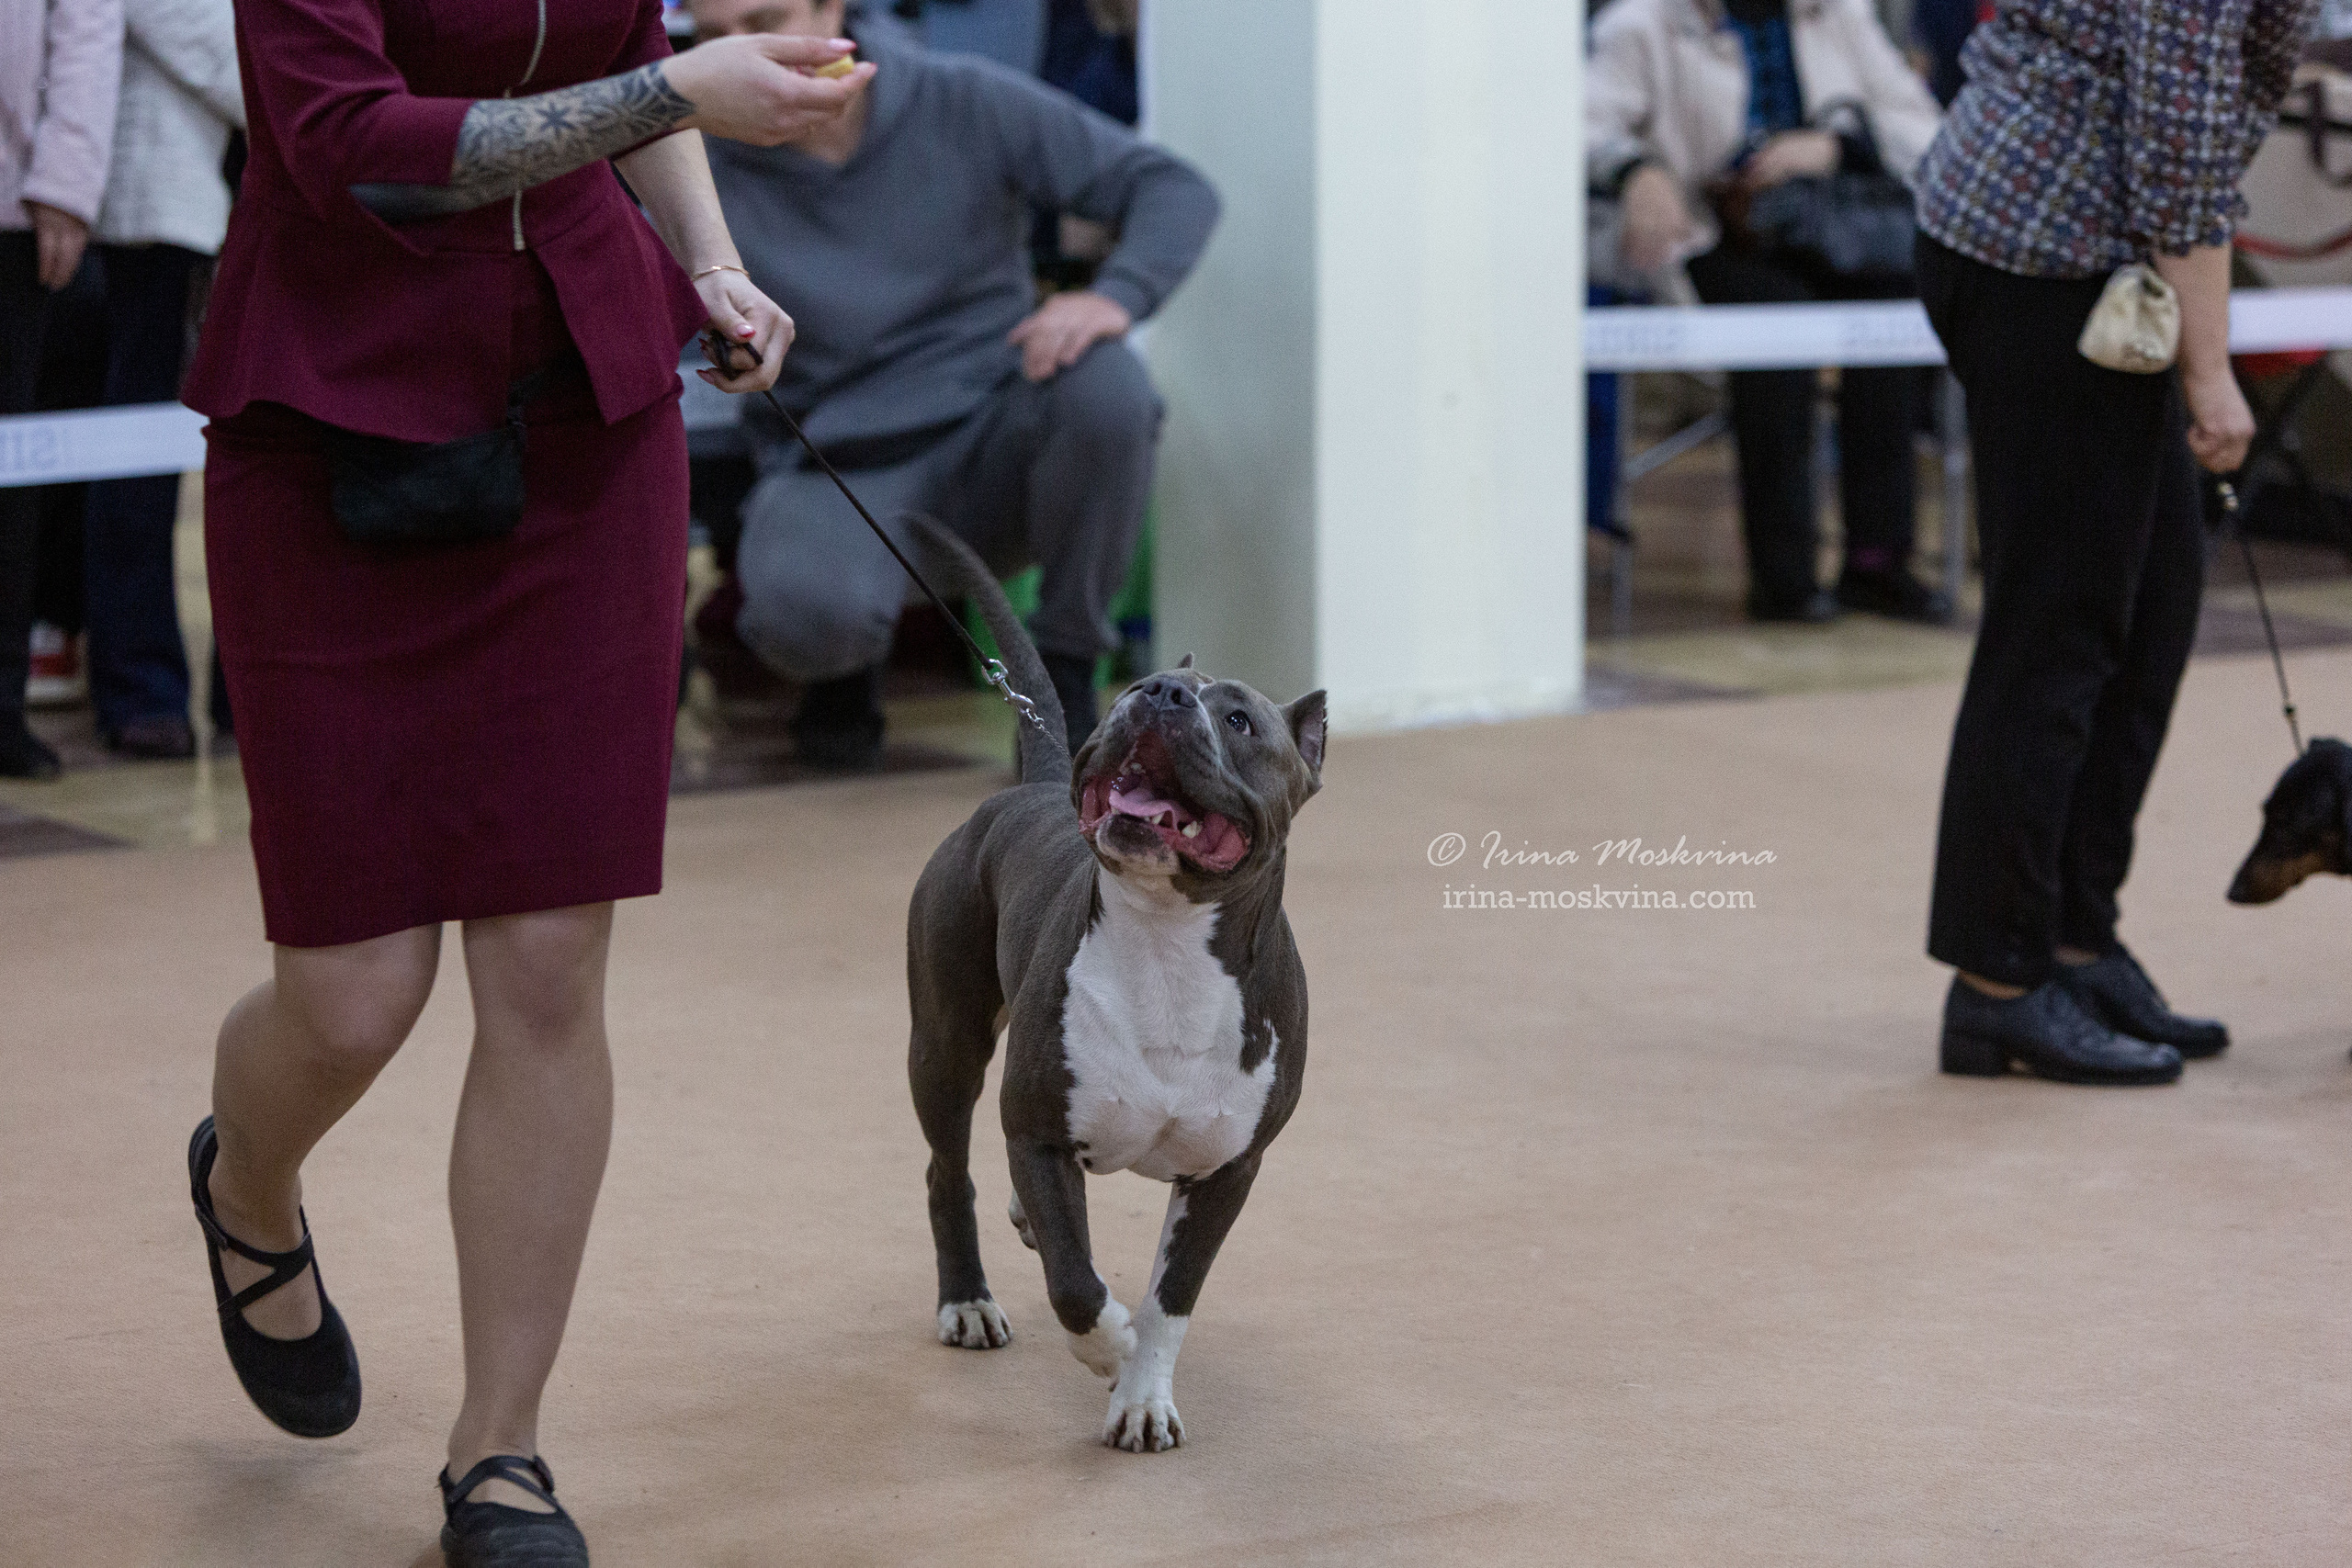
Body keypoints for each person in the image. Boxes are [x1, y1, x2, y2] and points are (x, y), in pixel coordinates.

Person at [175, 4, 871, 1562]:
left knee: (550, 959)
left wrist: (710, 264)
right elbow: (359, 154)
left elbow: (637, 81)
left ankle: (501, 1453)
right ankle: (251, 1183)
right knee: (350, 994)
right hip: (328, 423)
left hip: (586, 416)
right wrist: (675, 85)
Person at [1913, 0, 2314, 1086]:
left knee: (2148, 621)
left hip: (2105, 268)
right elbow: (2177, 140)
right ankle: (1996, 986)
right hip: (2046, 265)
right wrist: (2210, 373)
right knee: (2059, 636)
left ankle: (2073, 941)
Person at [691, 0, 1218, 767]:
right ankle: (844, 670)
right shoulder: (694, 157)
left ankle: (1066, 672)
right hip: (837, 461)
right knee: (802, 616)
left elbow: (1170, 186)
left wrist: (1115, 296)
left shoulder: (966, 98)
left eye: (762, 21)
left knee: (1108, 386)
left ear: (831, 10)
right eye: (712, 38)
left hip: (996, 429)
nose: (739, 54)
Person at [1588, 0, 1952, 625]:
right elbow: (1582, 125)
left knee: (1892, 303)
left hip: (1834, 226)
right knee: (1775, 319)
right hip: (1710, 235)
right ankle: (1784, 574)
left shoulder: (1838, 16)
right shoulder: (1641, 23)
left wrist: (1836, 145)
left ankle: (1876, 560)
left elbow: (1925, 129)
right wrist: (1639, 170)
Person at [82, 0, 245, 759]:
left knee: (263, 466)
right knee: (134, 468)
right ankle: (140, 686)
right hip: (160, 210)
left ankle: (246, 693)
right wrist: (311, 85)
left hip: (272, 196)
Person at [1, 0, 121, 779]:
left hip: (11, 202)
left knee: (10, 478)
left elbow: (86, 26)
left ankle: (0, 703)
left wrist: (67, 182)